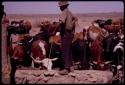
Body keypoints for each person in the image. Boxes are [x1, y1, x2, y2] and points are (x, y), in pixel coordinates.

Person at [56, 1, 78, 75]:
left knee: (64, 50)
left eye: (60, 7)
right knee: (69, 50)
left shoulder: (64, 12)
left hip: (66, 33)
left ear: (63, 6)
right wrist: (71, 24)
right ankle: (71, 67)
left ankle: (66, 69)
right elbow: (76, 18)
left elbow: (60, 22)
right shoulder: (69, 12)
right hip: (70, 33)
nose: (60, 8)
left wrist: (54, 30)